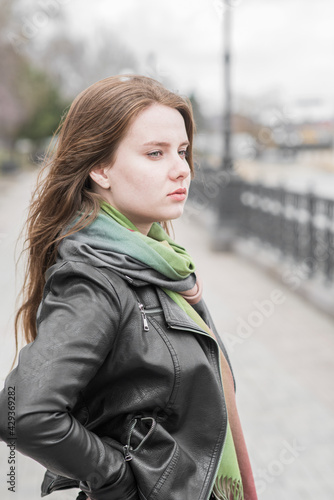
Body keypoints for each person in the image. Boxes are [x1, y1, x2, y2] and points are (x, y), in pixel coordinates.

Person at [0, 75, 257, 500]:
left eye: (182, 151)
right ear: (100, 168)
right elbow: (23, 413)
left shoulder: (160, 261)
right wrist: (120, 481)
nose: (181, 169)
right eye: (155, 153)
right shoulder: (93, 279)